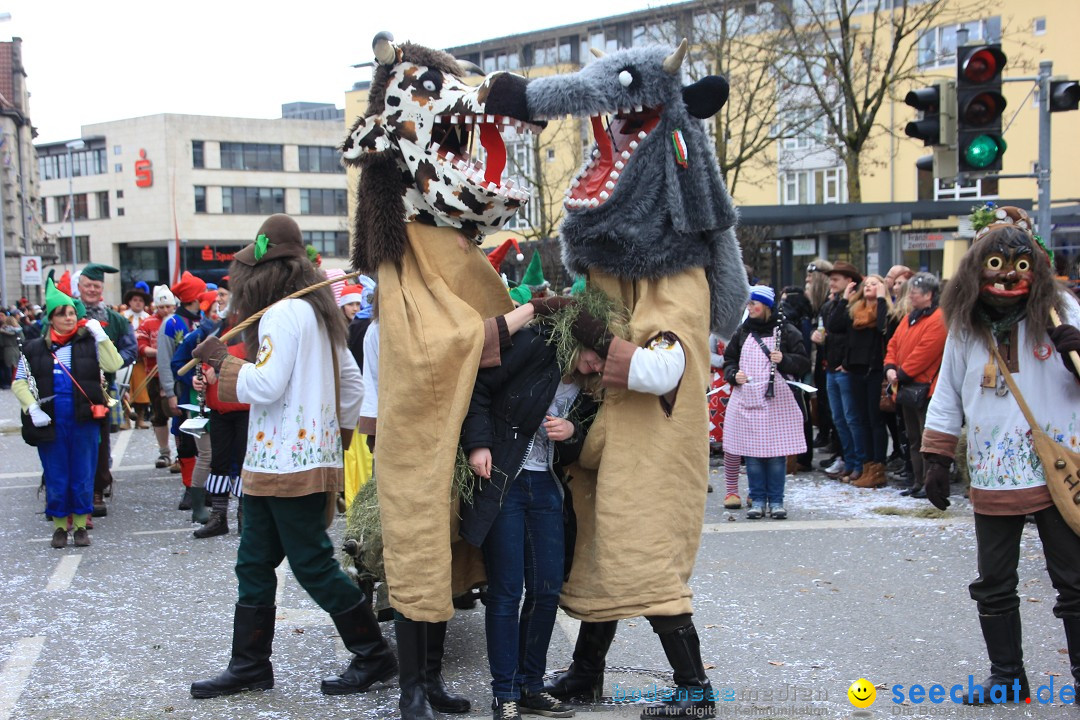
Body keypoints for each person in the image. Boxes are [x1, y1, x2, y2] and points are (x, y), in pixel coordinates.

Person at [189, 214, 397, 699]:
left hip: (287, 464)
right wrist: (337, 440)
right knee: (254, 562)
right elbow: (351, 384)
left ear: (261, 276)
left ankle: (374, 655)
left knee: (312, 565)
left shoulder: (283, 314)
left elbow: (265, 383)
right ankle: (250, 666)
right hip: (279, 463)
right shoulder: (319, 313)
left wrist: (223, 360)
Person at [920, 206, 1080, 704]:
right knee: (993, 581)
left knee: (1074, 580)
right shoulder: (966, 325)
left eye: (1019, 264)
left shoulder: (1064, 311)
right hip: (993, 471)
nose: (1008, 275)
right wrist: (937, 457)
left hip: (1058, 467)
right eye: (994, 264)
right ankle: (1007, 677)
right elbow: (947, 392)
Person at [461, 317, 602, 720]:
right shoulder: (537, 347)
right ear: (581, 343)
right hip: (503, 477)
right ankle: (504, 691)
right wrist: (478, 445)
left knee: (546, 589)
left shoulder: (592, 387)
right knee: (507, 591)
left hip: (546, 486)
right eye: (595, 356)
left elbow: (584, 438)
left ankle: (531, 686)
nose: (597, 366)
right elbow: (478, 388)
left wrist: (573, 429)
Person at [13, 278, 123, 548]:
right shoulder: (33, 348)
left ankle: (82, 526)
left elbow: (114, 364)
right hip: (50, 421)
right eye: (62, 314)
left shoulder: (88, 344)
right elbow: (20, 382)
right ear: (51, 319)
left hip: (83, 419)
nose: (69, 318)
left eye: (72, 313)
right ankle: (61, 526)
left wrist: (103, 338)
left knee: (83, 473)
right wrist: (32, 407)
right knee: (56, 473)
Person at [722, 286, 810, 519]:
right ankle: (757, 499)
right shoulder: (743, 332)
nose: (749, 308)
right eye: (748, 304)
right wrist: (733, 375)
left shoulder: (787, 331)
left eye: (754, 304)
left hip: (776, 401)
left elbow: (803, 363)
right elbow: (729, 359)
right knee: (752, 455)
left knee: (775, 455)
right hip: (748, 399)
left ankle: (777, 500)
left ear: (766, 306)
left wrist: (785, 360)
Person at [77, 263, 138, 517]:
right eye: (88, 285)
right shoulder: (66, 314)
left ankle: (97, 489)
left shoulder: (115, 320)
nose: (92, 289)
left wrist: (110, 361)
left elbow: (130, 349)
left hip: (103, 389)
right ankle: (61, 490)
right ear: (79, 287)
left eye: (96, 286)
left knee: (100, 441)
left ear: (102, 288)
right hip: (71, 389)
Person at [883, 272, 947, 498]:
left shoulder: (938, 319)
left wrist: (899, 373)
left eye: (914, 292)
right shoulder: (911, 317)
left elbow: (925, 353)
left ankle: (930, 484)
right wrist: (890, 366)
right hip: (908, 386)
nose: (909, 295)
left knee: (926, 440)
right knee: (912, 438)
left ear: (929, 295)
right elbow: (894, 343)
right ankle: (918, 481)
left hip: (925, 388)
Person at [159, 271, 208, 510]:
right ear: (195, 297)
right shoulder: (171, 323)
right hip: (182, 389)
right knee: (186, 439)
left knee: (207, 439)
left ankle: (208, 486)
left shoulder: (206, 320)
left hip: (207, 390)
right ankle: (190, 487)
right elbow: (165, 359)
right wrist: (170, 392)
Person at [841, 274, 895, 489]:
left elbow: (883, 328)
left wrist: (881, 300)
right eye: (868, 284)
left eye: (875, 283)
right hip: (855, 369)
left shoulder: (886, 310)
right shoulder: (856, 309)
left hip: (874, 370)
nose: (870, 286)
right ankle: (865, 465)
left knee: (875, 420)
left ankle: (878, 467)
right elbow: (837, 326)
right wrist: (845, 299)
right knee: (860, 419)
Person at [820, 261, 866, 482]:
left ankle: (859, 462)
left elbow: (842, 328)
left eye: (836, 279)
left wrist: (847, 362)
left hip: (846, 369)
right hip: (832, 367)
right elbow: (829, 325)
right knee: (838, 418)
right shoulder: (834, 303)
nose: (831, 283)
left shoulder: (857, 303)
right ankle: (848, 460)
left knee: (851, 418)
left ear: (850, 282)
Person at [137, 286, 177, 470]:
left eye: (169, 306)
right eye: (162, 307)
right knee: (159, 415)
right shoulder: (147, 323)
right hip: (154, 374)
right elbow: (140, 347)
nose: (166, 310)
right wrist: (160, 353)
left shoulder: (179, 322)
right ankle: (164, 451)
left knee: (179, 414)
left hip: (177, 374)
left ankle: (182, 454)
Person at [122, 286, 153, 428]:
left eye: (141, 300)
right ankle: (126, 419)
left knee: (142, 390)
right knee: (125, 389)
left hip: (142, 360)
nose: (138, 303)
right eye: (135, 300)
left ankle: (140, 418)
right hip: (125, 360)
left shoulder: (148, 318)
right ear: (129, 301)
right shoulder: (122, 317)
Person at [1, 315, 23, 389]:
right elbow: (23, 339)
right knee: (16, 367)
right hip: (17, 349)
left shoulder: (2, 331)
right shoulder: (18, 330)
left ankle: (8, 382)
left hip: (7, 350)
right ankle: (16, 381)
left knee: (7, 367)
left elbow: (1, 343)